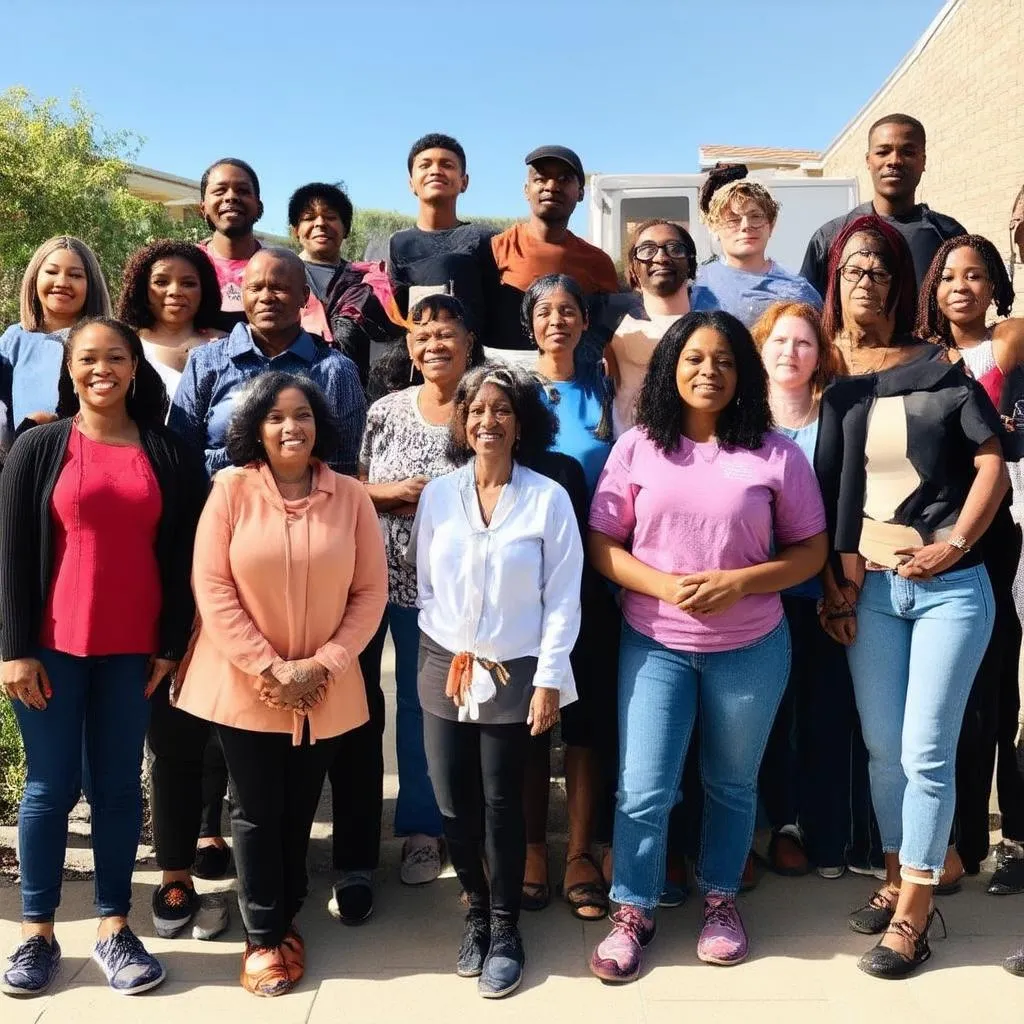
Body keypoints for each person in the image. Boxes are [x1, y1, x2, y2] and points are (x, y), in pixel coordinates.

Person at [587, 310, 827, 979]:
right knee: (643, 787)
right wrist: (663, 585)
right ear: (670, 366)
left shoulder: (776, 452)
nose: (708, 371)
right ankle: (632, 908)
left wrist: (743, 582)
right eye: (693, 358)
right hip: (655, 642)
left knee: (730, 783)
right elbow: (603, 544)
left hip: (750, 644)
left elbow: (811, 550)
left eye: (723, 360)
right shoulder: (637, 446)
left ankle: (721, 898)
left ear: (741, 372)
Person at [815, 214, 1008, 978]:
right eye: (854, 267)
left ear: (901, 282)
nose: (867, 279)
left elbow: (991, 459)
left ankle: (914, 915)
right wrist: (839, 568)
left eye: (881, 268)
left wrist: (958, 541)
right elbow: (831, 487)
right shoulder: (827, 373)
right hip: (868, 593)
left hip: (950, 588)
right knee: (884, 753)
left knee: (927, 751)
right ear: (838, 278)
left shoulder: (939, 367)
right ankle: (908, 868)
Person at [0, 317, 207, 997]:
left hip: (132, 651)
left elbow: (183, 558)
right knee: (48, 789)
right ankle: (37, 934)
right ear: (70, 368)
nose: (101, 369)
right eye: (87, 358)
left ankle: (114, 927)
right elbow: (10, 555)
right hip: (51, 651)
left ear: (133, 366)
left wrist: (172, 643)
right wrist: (13, 650)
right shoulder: (38, 447)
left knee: (120, 789)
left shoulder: (167, 451)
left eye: (115, 357)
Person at [173, 371, 388, 996]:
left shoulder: (349, 496)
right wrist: (270, 667)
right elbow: (211, 587)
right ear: (255, 430)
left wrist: (323, 664)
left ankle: (287, 911)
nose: (290, 427)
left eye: (302, 415)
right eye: (275, 418)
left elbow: (370, 591)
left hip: (325, 685)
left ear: (319, 424)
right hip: (246, 685)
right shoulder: (231, 490)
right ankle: (263, 935)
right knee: (258, 809)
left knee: (299, 807)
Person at [412, 364, 583, 998]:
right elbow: (427, 583)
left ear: (521, 423)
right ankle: (476, 911)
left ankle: (507, 926)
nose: (488, 421)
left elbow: (563, 596)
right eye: (476, 410)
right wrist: (454, 643)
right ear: (462, 422)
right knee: (452, 801)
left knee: (503, 803)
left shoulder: (547, 498)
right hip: (444, 664)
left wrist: (548, 678)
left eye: (502, 410)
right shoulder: (439, 495)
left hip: (516, 671)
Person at [330, 295, 483, 923]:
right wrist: (388, 494)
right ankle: (396, 834)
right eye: (422, 337)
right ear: (409, 350)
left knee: (441, 710)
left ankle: (444, 826)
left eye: (447, 334)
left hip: (455, 590)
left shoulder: (484, 406)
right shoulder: (385, 410)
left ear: (469, 342)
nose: (434, 345)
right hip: (378, 583)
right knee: (374, 710)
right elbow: (354, 489)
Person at [916, 235, 1024, 891]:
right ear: (933, 287)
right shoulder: (919, 359)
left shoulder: (1008, 344)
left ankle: (1013, 840)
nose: (962, 286)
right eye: (950, 275)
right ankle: (957, 845)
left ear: (992, 286)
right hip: (937, 542)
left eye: (976, 275)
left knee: (999, 695)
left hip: (996, 539)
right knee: (948, 701)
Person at [516, 274, 616, 919]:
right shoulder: (513, 392)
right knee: (527, 717)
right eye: (545, 311)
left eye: (569, 310)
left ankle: (580, 849)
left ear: (585, 321)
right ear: (529, 323)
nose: (557, 320)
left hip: (598, 573)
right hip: (522, 580)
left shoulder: (612, 390)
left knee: (587, 720)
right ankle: (531, 846)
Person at [750, 301, 855, 878]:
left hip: (822, 595)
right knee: (767, 715)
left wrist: (836, 586)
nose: (791, 352)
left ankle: (820, 829)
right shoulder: (741, 422)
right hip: (757, 595)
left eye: (804, 343)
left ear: (820, 356)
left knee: (823, 714)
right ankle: (776, 822)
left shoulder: (837, 415)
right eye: (780, 342)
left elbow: (844, 508)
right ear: (761, 352)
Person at [168, 247, 365, 476]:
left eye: (279, 288)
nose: (266, 298)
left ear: (304, 296)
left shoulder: (335, 370)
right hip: (218, 506)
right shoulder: (205, 362)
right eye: (255, 288)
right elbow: (179, 455)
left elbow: (344, 468)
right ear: (243, 294)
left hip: (308, 509)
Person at [800, 114, 966, 297]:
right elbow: (807, 311)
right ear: (868, 161)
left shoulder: (949, 235)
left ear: (923, 161)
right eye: (883, 152)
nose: (894, 161)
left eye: (908, 152)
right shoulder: (830, 236)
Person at [489, 146, 619, 357]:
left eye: (564, 179)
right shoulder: (497, 249)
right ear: (526, 190)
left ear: (580, 193)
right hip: (510, 379)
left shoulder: (598, 262)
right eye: (540, 179)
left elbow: (610, 333)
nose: (551, 186)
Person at [387, 134, 500, 343]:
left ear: (464, 182)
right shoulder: (398, 243)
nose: (435, 171)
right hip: (423, 364)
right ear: (411, 183)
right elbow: (397, 319)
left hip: (476, 367)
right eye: (425, 165)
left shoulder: (486, 239)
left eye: (447, 165)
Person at [0, 236, 110, 447]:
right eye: (51, 272)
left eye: (75, 275)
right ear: (34, 278)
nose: (62, 283)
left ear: (91, 284)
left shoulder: (110, 341)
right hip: (29, 466)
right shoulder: (13, 341)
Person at [287, 182, 397, 382]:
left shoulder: (367, 282)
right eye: (309, 218)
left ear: (345, 229)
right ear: (295, 230)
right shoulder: (280, 276)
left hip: (352, 388)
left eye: (330, 217)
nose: (320, 224)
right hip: (291, 387)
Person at [693, 166, 821, 329]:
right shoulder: (696, 284)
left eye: (756, 216)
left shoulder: (797, 291)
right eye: (733, 219)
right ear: (714, 227)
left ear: (771, 225)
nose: (746, 226)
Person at [605, 219, 699, 438]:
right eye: (647, 250)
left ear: (691, 263)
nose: (661, 257)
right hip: (631, 461)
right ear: (634, 269)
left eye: (674, 248)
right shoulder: (612, 329)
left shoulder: (710, 333)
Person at [117, 240, 224, 400]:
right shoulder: (123, 347)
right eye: (161, 282)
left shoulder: (229, 346)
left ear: (204, 289)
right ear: (142, 288)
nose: (175, 291)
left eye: (188, 284)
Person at [198, 158, 264, 332]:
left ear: (258, 205)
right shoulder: (186, 266)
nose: (231, 197)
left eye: (242, 191)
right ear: (203, 207)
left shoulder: (279, 268)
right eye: (219, 191)